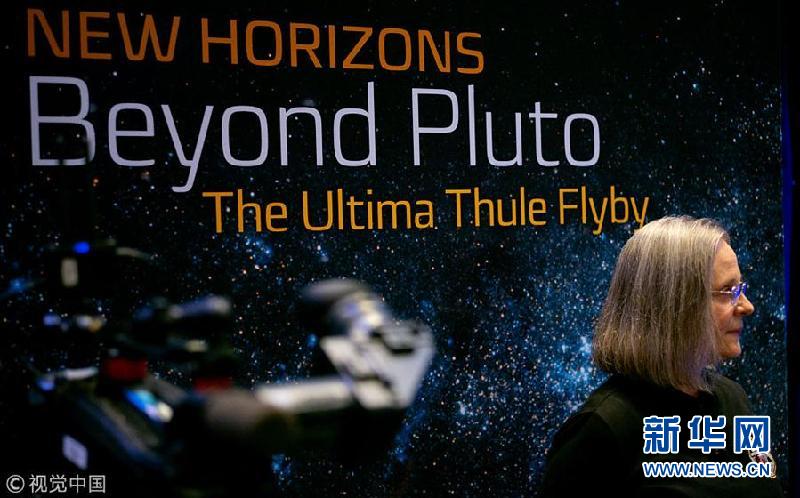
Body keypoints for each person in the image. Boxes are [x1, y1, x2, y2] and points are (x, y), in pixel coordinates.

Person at [540, 216, 782, 497]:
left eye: (741, 289)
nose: (747, 306)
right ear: (675, 304)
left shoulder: (733, 399)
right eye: (729, 291)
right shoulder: (604, 429)